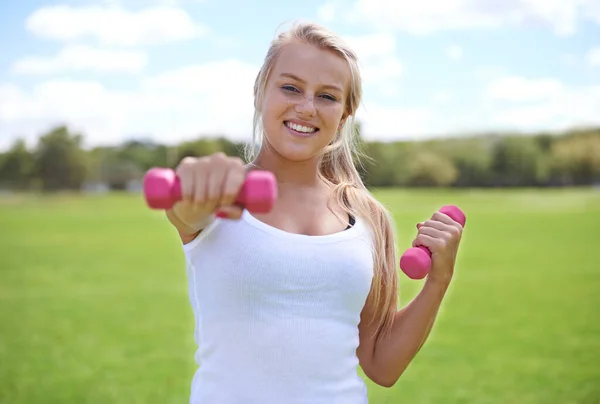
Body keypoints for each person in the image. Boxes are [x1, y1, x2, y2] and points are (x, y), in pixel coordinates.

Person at [165, 20, 464, 404]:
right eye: (290, 88)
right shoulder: (218, 197)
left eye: (327, 96)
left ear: (344, 114)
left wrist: (438, 280)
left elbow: (381, 365)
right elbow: (184, 210)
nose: (306, 108)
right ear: (260, 93)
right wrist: (194, 180)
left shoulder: (368, 218)